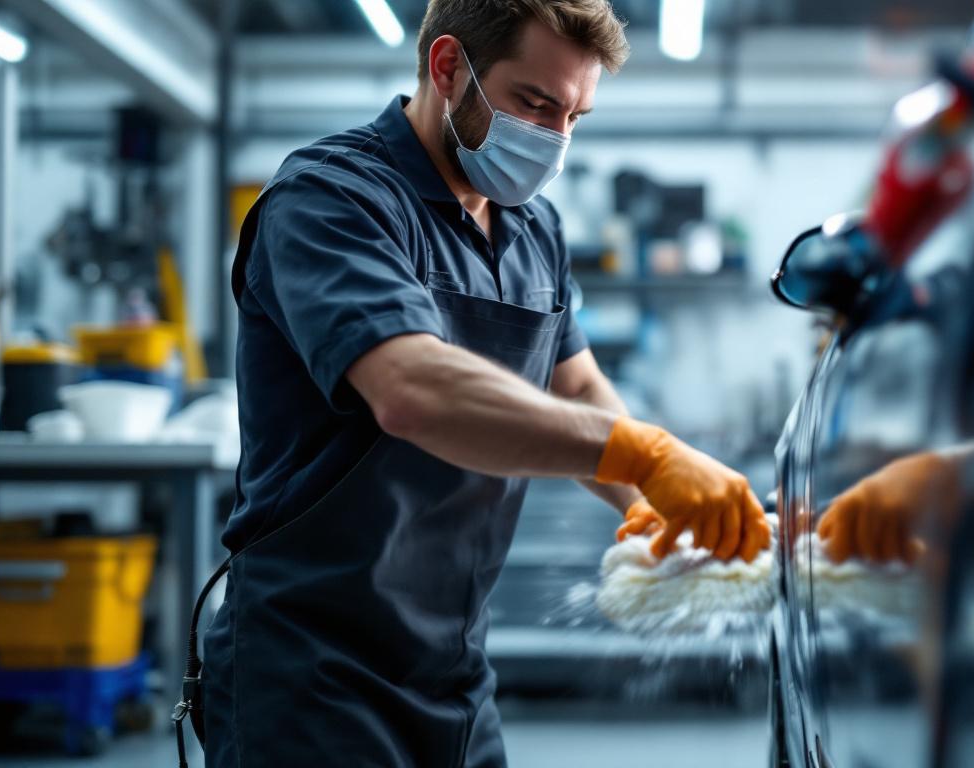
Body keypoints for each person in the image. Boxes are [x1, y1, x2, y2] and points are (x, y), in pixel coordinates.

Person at [199, 1, 770, 765]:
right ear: (447, 68)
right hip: (311, 672)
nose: (554, 141)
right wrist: (647, 454)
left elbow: (575, 387)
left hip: (455, 672)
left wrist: (650, 511)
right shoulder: (334, 201)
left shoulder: (534, 230)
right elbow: (412, 389)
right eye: (535, 104)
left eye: (575, 115)